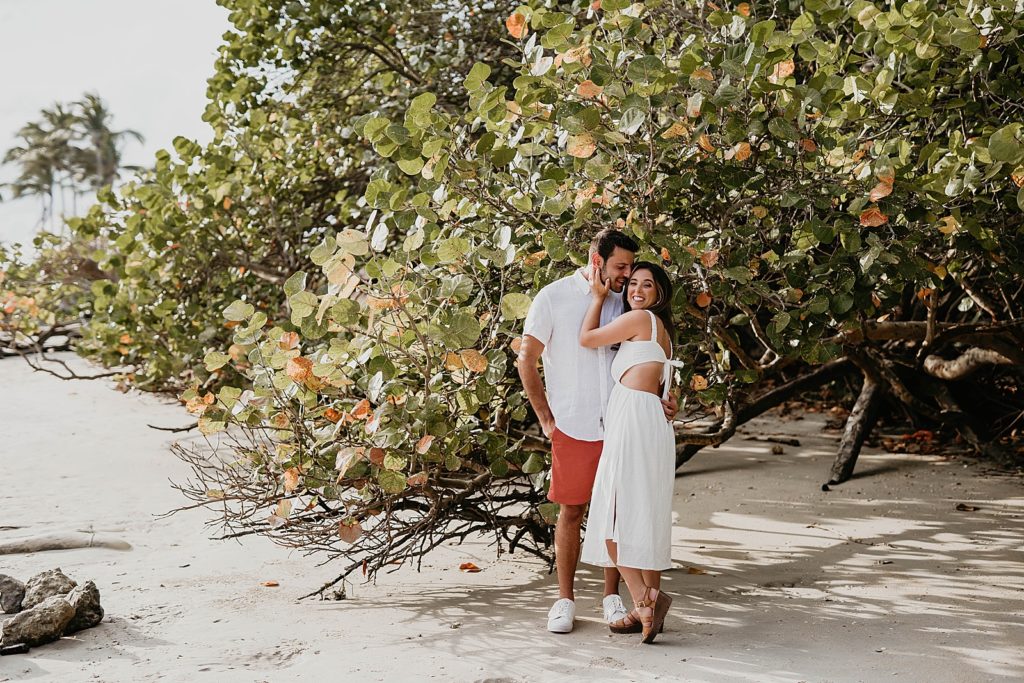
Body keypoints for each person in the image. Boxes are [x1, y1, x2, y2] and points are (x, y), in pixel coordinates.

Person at [517, 230, 677, 634]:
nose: (628, 277)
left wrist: (664, 399)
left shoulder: (626, 302)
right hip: (575, 422)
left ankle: (614, 598)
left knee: (618, 514)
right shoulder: (553, 297)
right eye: (621, 267)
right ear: (596, 260)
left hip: (623, 424)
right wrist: (546, 418)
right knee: (572, 510)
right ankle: (565, 600)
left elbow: (650, 361)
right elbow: (527, 359)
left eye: (634, 271)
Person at [578, 261, 679, 644]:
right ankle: (648, 608)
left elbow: (586, 338)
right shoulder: (664, 332)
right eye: (632, 283)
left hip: (634, 420)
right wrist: (672, 405)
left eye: (646, 284)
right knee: (644, 513)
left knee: (610, 515)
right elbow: (667, 391)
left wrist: (599, 296)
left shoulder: (640, 319)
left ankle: (642, 598)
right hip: (650, 418)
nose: (636, 290)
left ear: (659, 293)